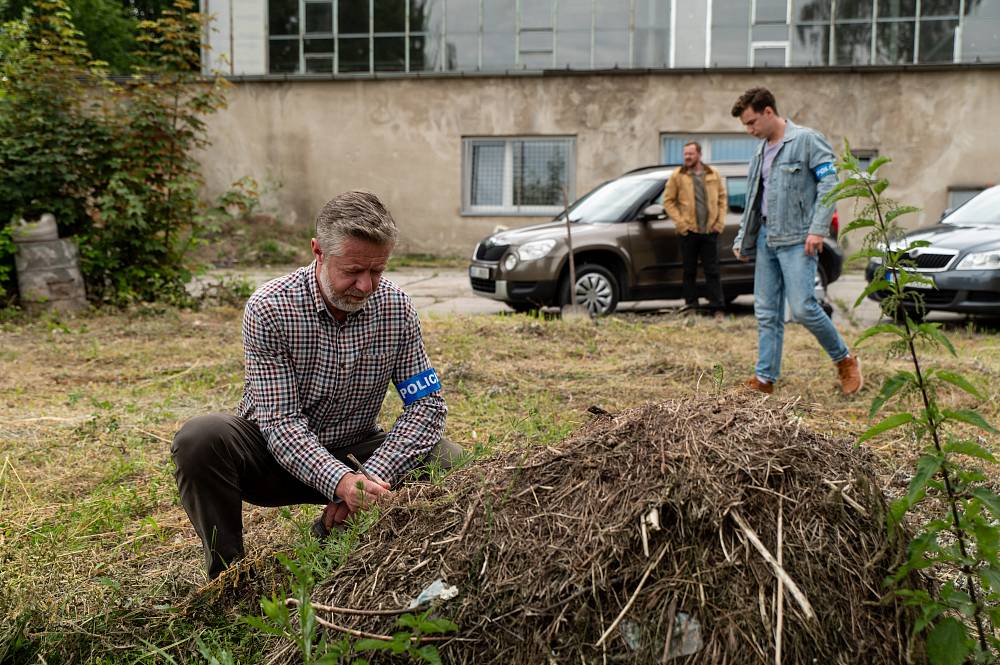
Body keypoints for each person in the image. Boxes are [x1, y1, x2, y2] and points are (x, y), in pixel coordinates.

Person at [171, 191, 461, 579]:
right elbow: (280, 423)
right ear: (318, 251)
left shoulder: (397, 308)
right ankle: (228, 576)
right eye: (353, 270)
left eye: (377, 271)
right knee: (200, 439)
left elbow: (427, 405)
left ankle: (344, 540)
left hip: (356, 450)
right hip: (271, 456)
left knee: (450, 461)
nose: (366, 285)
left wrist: (368, 481)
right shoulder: (270, 307)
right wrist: (341, 482)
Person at [730, 87, 862, 396]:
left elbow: (829, 183)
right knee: (766, 312)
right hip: (766, 238)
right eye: (745, 125)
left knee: (803, 308)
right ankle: (765, 379)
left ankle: (845, 360)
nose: (749, 130)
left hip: (798, 239)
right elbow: (754, 200)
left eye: (751, 123)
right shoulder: (760, 151)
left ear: (768, 112)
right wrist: (743, 238)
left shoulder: (806, 140)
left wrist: (818, 229)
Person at [662, 141, 729, 317]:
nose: (687, 157)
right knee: (689, 271)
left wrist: (719, 223)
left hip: (710, 231)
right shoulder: (678, 175)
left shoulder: (713, 173)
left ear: (699, 154)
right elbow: (668, 201)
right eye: (685, 154)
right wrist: (681, 223)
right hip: (688, 232)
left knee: (712, 271)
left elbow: (722, 198)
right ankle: (691, 306)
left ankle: (717, 308)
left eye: (690, 154)